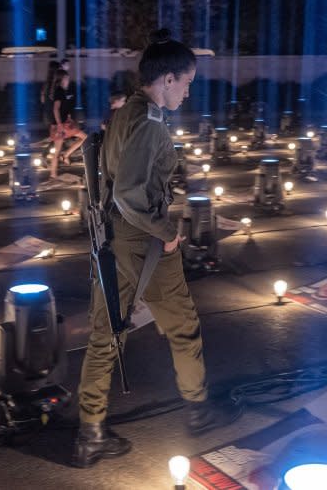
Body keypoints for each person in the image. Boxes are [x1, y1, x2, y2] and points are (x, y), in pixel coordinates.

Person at [72, 29, 238, 469]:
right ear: (165, 79)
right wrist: (166, 232)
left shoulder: (126, 111)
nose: (188, 91)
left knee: (105, 335)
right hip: (143, 240)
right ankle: (199, 409)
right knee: (183, 326)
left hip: (112, 238)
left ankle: (89, 434)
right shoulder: (147, 123)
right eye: (186, 81)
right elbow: (130, 193)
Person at [49, 69, 86, 178]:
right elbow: (55, 109)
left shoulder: (64, 91)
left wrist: (69, 117)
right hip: (60, 125)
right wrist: (59, 124)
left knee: (83, 138)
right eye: (66, 78)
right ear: (61, 79)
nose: (68, 80)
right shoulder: (59, 91)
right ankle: (62, 160)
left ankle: (54, 172)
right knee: (84, 137)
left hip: (65, 123)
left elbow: (65, 108)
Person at [40, 60, 60, 127]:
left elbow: (42, 100)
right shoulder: (55, 84)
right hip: (54, 114)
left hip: (47, 114)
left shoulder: (46, 84)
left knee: (53, 134)